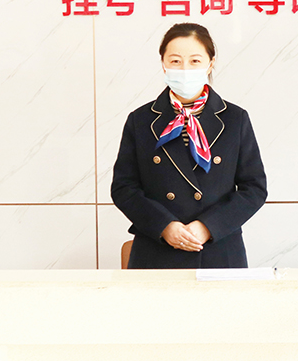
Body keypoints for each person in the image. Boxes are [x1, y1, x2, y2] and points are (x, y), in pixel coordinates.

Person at [111, 23, 267, 269]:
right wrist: (164, 226)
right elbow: (124, 187)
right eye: (175, 61)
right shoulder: (141, 120)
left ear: (210, 63)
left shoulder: (234, 119)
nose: (184, 69)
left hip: (218, 251)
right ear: (163, 63)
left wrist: (208, 226)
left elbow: (254, 188)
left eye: (195, 61)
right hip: (157, 251)